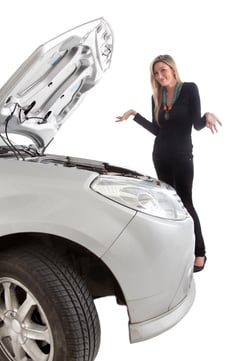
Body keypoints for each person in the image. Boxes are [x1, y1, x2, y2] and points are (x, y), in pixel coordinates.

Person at [116, 54, 222, 272]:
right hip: (160, 155)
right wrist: (135, 115)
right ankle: (177, 250)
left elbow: (197, 124)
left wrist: (208, 115)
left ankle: (200, 252)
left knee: (185, 202)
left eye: (163, 70)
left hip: (182, 155)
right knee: (167, 204)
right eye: (156, 72)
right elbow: (158, 130)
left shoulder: (190, 89)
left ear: (173, 70)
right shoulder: (157, 96)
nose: (159, 75)